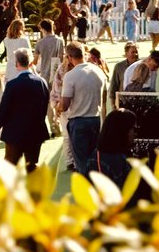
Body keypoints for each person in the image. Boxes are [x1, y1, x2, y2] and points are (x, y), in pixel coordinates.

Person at [0, 48, 50, 171]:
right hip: (35, 131)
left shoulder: (12, 84)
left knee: (11, 167)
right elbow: (45, 106)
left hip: (14, 132)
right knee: (31, 166)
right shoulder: (42, 82)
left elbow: (3, 110)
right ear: (30, 63)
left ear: (16, 63)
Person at [59, 43, 107, 175]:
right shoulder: (99, 71)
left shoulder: (70, 75)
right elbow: (104, 99)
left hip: (78, 121)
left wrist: (58, 107)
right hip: (95, 119)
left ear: (69, 57)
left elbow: (64, 105)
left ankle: (85, 186)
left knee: (81, 161)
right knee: (94, 159)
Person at [94, 108, 137, 190]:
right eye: (132, 129)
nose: (134, 133)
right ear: (123, 131)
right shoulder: (121, 162)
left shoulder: (96, 155)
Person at [32, 19, 63, 84]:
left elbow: (35, 61)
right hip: (56, 72)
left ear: (42, 29)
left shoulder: (39, 43)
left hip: (44, 73)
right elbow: (61, 58)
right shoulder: (59, 41)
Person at [109, 42, 139, 110]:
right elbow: (114, 86)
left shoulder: (142, 65)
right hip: (123, 103)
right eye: (133, 52)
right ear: (126, 53)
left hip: (138, 102)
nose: (136, 54)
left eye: (136, 52)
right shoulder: (119, 67)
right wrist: (113, 104)